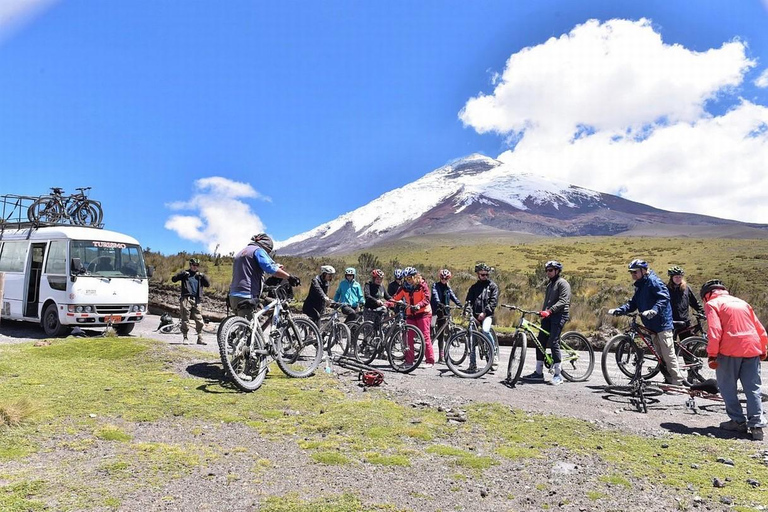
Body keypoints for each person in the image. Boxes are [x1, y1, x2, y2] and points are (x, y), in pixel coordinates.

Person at [701, 279, 767, 441]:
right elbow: (759, 328)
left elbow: (715, 331)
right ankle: (757, 425)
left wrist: (712, 355)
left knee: (727, 388)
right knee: (753, 388)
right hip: (751, 348)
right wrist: (763, 348)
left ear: (707, 295)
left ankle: (738, 422)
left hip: (729, 351)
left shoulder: (713, 304)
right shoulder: (742, 303)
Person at [608, 259, 687, 386]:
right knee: (660, 355)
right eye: (631, 272)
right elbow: (633, 303)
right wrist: (619, 310)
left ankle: (678, 382)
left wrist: (654, 310)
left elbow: (664, 297)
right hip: (651, 325)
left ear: (643, 271)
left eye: (635, 272)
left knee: (668, 354)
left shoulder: (653, 281)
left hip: (662, 323)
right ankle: (668, 379)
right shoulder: (640, 285)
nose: (633, 274)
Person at [522, 261, 571, 385]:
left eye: (550, 270)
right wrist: (543, 313)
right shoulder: (550, 285)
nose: (548, 272)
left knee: (554, 341)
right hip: (548, 316)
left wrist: (549, 311)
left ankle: (558, 375)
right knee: (540, 341)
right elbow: (547, 302)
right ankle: (538, 373)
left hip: (559, 315)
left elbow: (563, 301)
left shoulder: (563, 283)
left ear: (557, 271)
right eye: (547, 270)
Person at [229, 234, 300, 318]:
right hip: (247, 295)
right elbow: (270, 267)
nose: (267, 254)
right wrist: (289, 277)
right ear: (266, 246)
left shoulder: (242, 252)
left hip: (233, 295)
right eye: (268, 252)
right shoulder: (258, 251)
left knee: (242, 326)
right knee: (249, 328)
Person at [391, 267, 435, 367]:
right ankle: (409, 361)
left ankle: (430, 360)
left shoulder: (422, 285)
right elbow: (395, 298)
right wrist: (386, 304)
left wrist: (419, 305)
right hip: (411, 313)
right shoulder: (404, 287)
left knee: (425, 336)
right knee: (408, 337)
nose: (408, 280)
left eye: (409, 278)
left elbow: (427, 299)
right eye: (406, 278)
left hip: (423, 313)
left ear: (415, 277)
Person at [465, 263, 500, 370]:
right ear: (478, 275)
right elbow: (468, 301)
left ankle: (493, 354)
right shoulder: (473, 288)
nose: (485, 277)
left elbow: (493, 302)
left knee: (485, 330)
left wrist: (484, 313)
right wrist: (467, 311)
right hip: (475, 316)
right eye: (482, 275)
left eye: (486, 275)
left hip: (487, 316)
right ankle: (472, 364)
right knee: (471, 337)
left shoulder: (493, 286)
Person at [171, 257, 210, 345]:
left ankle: (200, 338)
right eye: (193, 265)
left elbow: (208, 284)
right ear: (190, 265)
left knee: (199, 319)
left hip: (197, 299)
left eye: (197, 265)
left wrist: (203, 276)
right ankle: (185, 337)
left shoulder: (199, 276)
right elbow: (173, 279)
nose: (195, 267)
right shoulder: (185, 274)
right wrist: (182, 274)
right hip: (186, 299)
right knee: (185, 319)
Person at [431, 269, 462, 364]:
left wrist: (459, 304)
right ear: (440, 277)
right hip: (435, 311)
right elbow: (435, 294)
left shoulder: (448, 288)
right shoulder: (435, 286)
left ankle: (441, 357)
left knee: (441, 334)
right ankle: (426, 351)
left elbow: (453, 296)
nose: (444, 280)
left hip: (444, 312)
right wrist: (438, 303)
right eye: (442, 278)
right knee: (430, 330)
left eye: (446, 278)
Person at [667, 266, 704, 340]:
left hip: (685, 322)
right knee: (671, 346)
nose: (678, 279)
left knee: (686, 346)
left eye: (680, 277)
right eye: (676, 277)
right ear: (671, 278)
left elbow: (694, 302)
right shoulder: (667, 289)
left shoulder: (686, 289)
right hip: (671, 321)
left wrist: (702, 311)